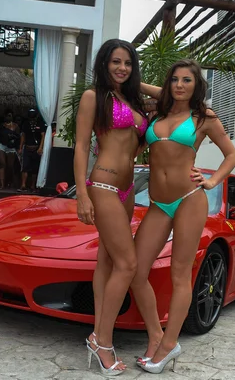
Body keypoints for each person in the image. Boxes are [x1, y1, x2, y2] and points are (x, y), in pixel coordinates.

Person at [133, 59, 235, 374]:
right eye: (175, 80)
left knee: (181, 274)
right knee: (136, 271)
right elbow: (152, 89)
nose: (180, 85)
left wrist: (211, 181)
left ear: (197, 86)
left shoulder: (202, 117)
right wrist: (127, 77)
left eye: (187, 81)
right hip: (157, 203)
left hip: (189, 200)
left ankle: (169, 343)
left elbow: (231, 154)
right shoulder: (161, 110)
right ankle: (155, 335)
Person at [74, 39, 147, 376]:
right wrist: (82, 196)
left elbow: (173, 95)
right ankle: (102, 341)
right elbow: (80, 146)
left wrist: (133, 82)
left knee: (106, 262)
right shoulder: (94, 97)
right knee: (128, 263)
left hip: (128, 190)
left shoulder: (132, 99)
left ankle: (97, 331)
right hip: (102, 185)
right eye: (115, 62)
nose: (122, 68)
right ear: (103, 64)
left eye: (128, 63)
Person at [18, 108, 45, 192]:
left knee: (35, 168)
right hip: (27, 147)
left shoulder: (40, 123)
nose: (32, 119)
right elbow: (23, 136)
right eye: (30, 117)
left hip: (36, 148)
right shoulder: (26, 123)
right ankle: (23, 185)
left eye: (33, 117)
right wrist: (20, 147)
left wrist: (41, 147)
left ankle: (33, 186)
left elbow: (43, 135)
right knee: (25, 167)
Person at [0, 110, 20, 189]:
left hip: (11, 146)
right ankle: (2, 184)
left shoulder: (15, 126)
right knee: (2, 164)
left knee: (10, 166)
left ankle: (9, 181)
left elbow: (18, 137)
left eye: (10, 115)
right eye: (7, 115)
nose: (8, 117)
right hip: (2, 145)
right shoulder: (1, 125)